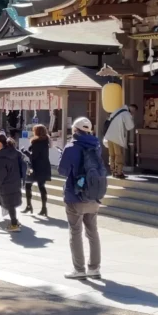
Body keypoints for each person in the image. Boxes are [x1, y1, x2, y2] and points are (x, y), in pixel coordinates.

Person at [58, 117, 103, 280]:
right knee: (93, 231)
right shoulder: (96, 145)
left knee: (75, 232)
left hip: (75, 194)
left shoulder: (71, 146)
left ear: (75, 130)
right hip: (94, 193)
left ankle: (79, 269)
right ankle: (95, 267)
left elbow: (62, 170)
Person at [0, 134, 22, 233]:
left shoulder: (2, 156)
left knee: (9, 204)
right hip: (15, 181)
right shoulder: (14, 152)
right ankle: (15, 221)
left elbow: (0, 173)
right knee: (11, 203)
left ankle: (14, 224)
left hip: (6, 184)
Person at [104, 103, 138, 179]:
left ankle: (113, 171)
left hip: (109, 135)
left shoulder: (118, 110)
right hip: (117, 137)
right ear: (133, 109)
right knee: (118, 155)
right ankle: (119, 172)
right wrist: (131, 117)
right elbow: (130, 126)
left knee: (112, 154)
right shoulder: (127, 114)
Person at [24, 124, 51, 216]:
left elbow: (33, 157)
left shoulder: (36, 142)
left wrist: (25, 152)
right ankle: (44, 208)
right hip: (44, 166)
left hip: (35, 167)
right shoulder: (46, 141)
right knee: (41, 187)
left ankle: (29, 205)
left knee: (28, 185)